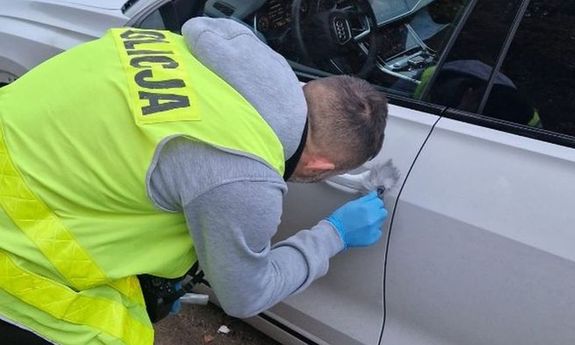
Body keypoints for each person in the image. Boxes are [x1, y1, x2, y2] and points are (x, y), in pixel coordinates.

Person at [0, 17, 388, 345]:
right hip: (14, 258)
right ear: (321, 167)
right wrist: (334, 234)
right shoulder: (243, 169)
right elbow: (245, 295)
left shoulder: (185, 48)